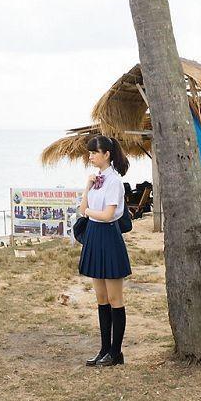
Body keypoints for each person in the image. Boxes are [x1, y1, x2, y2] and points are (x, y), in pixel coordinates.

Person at [78, 134, 131, 368]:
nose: (90, 157)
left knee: (114, 298)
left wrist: (88, 212)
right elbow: (82, 208)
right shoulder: (97, 179)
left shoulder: (114, 181)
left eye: (93, 153)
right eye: (89, 153)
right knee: (101, 299)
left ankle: (116, 352)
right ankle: (103, 350)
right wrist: (87, 187)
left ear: (106, 154)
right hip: (94, 236)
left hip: (108, 236)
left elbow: (108, 215)